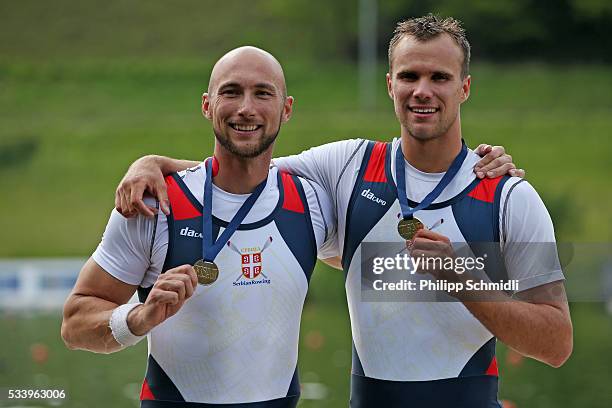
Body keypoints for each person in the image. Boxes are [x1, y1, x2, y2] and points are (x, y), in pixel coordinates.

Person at [114, 16, 571, 408]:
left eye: (440, 78)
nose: (422, 92)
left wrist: (466, 283)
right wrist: (152, 163)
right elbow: (242, 164)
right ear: (390, 83)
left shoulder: (509, 196)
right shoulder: (347, 167)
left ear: (465, 87)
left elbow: (556, 344)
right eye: (410, 76)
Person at [61, 46, 338, 407]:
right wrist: (139, 317)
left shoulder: (312, 203)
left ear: (286, 110)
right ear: (207, 106)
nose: (246, 108)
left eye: (263, 93)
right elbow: (74, 323)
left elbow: (380, 270)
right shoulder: (154, 205)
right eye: (231, 91)